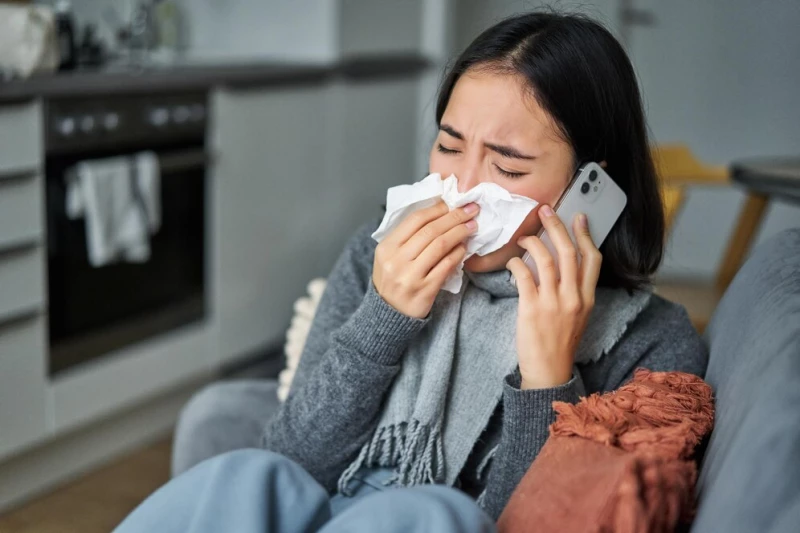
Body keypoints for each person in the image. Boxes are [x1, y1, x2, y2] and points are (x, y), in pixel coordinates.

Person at [123, 11, 708, 532]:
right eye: (449, 147)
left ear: (592, 186)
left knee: (432, 513)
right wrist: (385, 316)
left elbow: (526, 522)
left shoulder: (653, 343)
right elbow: (292, 459)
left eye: (506, 165)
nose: (464, 191)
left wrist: (548, 380)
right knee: (248, 477)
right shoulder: (378, 255)